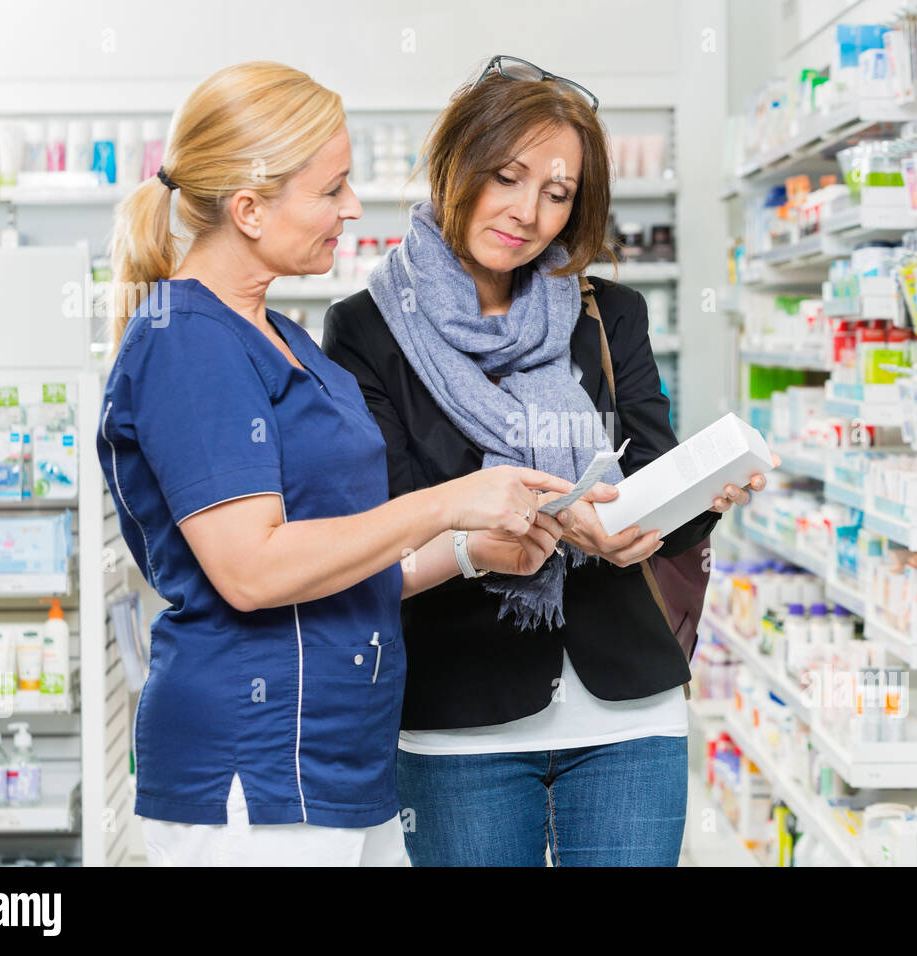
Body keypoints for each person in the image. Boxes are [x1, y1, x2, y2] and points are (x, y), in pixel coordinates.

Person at [97, 60, 574, 867]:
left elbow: (342, 563)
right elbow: (253, 571)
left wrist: (473, 551)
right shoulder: (188, 342)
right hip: (256, 767)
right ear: (249, 208)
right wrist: (449, 502)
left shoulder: (283, 337)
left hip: (342, 762)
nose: (352, 207)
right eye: (331, 189)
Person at [322, 55, 771, 867]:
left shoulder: (609, 314)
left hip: (628, 712)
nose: (527, 213)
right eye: (506, 177)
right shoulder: (367, 328)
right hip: (461, 716)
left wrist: (700, 494)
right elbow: (386, 520)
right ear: (454, 164)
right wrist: (551, 523)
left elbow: (653, 487)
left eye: (557, 194)